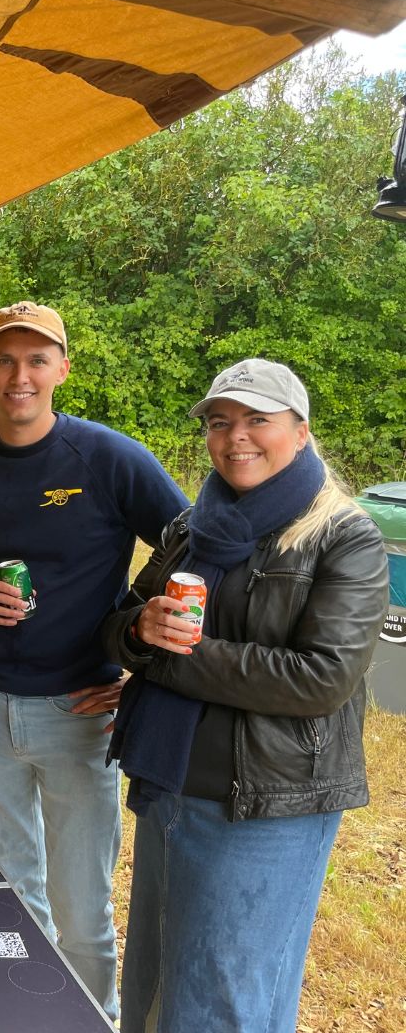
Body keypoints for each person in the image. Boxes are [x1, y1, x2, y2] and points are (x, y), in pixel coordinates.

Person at [0, 301, 188, 1020]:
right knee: (8, 884)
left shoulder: (106, 457)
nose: (20, 376)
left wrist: (136, 644)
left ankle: (93, 1017)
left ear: (62, 369)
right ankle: (23, 1013)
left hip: (81, 713)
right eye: (4, 359)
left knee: (81, 906)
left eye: (37, 360)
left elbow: (190, 547)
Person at [102, 359, 388, 1033]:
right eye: (220, 422)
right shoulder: (192, 527)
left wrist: (173, 661)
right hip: (171, 784)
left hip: (264, 807)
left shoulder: (343, 537)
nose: (236, 437)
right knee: (157, 984)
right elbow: (123, 622)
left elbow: (322, 679)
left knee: (223, 1001)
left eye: (257, 420)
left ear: (301, 430)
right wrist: (138, 632)